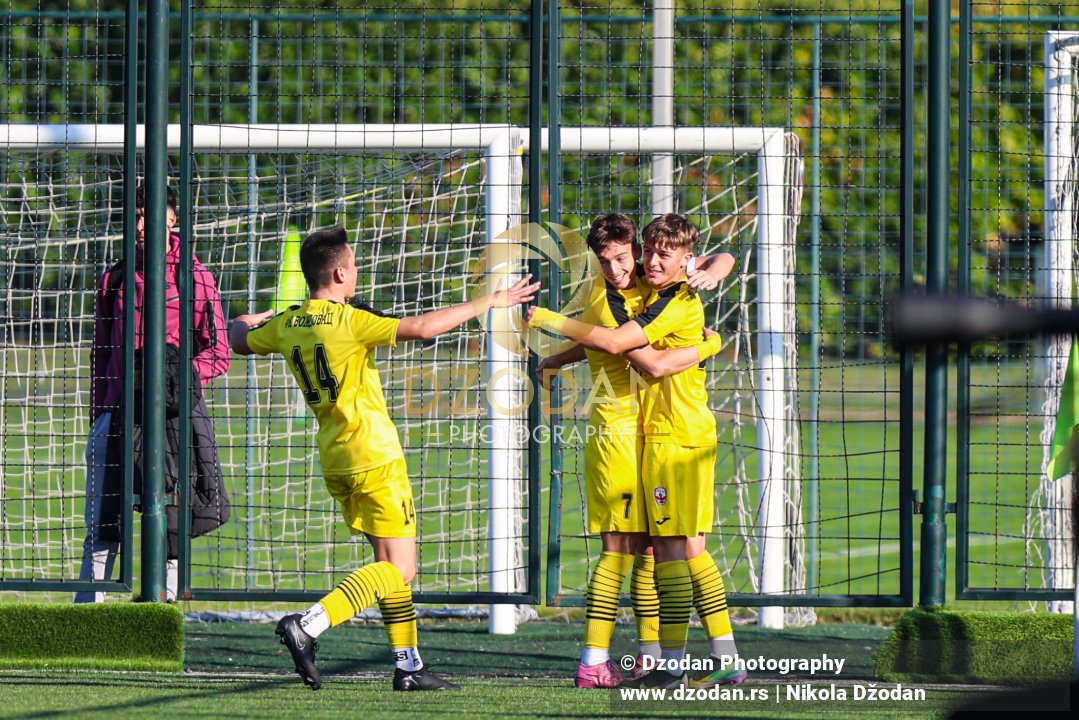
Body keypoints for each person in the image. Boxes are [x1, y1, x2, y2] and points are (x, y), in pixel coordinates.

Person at [229, 227, 539, 692]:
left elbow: (238, 338)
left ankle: (409, 666)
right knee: (402, 569)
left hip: (336, 458)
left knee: (386, 565)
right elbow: (423, 328)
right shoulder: (349, 320)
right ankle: (310, 624)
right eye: (354, 265)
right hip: (375, 456)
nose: (357, 271)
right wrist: (491, 302)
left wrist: (248, 318)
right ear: (338, 273)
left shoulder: (288, 324)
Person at [529, 213, 745, 690]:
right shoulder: (612, 295)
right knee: (644, 548)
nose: (620, 268)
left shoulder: (664, 291)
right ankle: (644, 659)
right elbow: (610, 343)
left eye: (625, 257)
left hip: (671, 436)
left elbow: (643, 354)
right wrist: (709, 346)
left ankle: (691, 660)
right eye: (606, 260)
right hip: (624, 436)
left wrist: (714, 271)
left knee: (673, 548)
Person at [78, 184, 231, 603]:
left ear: (173, 218)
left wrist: (174, 379)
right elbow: (100, 353)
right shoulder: (114, 278)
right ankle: (86, 614)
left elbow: (218, 353)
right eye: (135, 216)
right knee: (103, 524)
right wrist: (99, 416)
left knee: (171, 524)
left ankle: (163, 615)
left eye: (150, 215)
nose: (142, 225)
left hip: (173, 421)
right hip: (118, 416)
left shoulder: (194, 276)